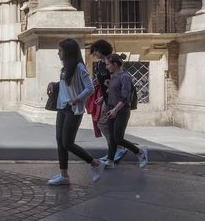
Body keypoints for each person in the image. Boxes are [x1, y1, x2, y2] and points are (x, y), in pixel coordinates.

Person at [47, 39, 105, 186]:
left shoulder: (79, 67)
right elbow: (67, 85)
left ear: (68, 51)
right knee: (60, 141)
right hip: (62, 107)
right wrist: (54, 84)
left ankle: (96, 164)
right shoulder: (66, 67)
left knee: (68, 143)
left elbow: (90, 88)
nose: (58, 52)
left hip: (73, 109)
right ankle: (64, 175)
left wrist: (76, 99)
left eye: (60, 50)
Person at [85, 40, 128, 167]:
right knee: (105, 124)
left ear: (100, 50)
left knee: (103, 124)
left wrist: (104, 98)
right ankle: (113, 152)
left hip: (113, 99)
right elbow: (102, 78)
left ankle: (118, 149)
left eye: (95, 51)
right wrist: (97, 83)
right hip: (106, 97)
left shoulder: (111, 63)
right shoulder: (100, 64)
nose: (94, 54)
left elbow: (115, 80)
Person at [103, 54, 148, 169]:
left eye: (108, 64)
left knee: (118, 138)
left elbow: (125, 96)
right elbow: (114, 92)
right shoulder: (114, 76)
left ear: (115, 64)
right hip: (111, 109)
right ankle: (110, 160)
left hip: (121, 110)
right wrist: (106, 93)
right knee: (112, 137)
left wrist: (115, 110)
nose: (106, 67)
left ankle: (140, 153)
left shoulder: (125, 77)